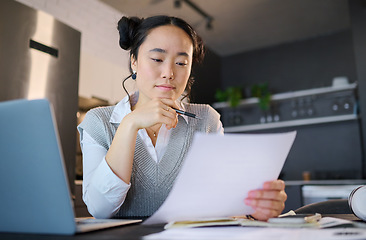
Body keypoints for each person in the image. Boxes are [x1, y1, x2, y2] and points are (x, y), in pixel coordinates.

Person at [77, 15, 287, 221]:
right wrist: (129, 125)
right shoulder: (99, 122)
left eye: (181, 63)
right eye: (157, 59)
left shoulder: (206, 120)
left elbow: (219, 199)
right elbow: (100, 209)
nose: (169, 73)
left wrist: (251, 209)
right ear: (134, 62)